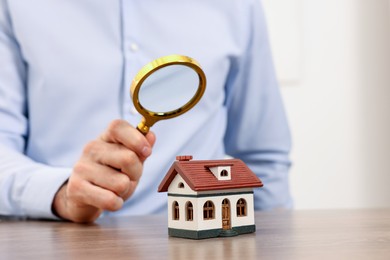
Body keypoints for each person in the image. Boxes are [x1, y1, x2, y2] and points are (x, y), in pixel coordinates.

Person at [0, 0, 292, 223]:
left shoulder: (238, 6)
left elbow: (265, 159)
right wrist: (61, 193)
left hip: (193, 244)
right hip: (53, 240)